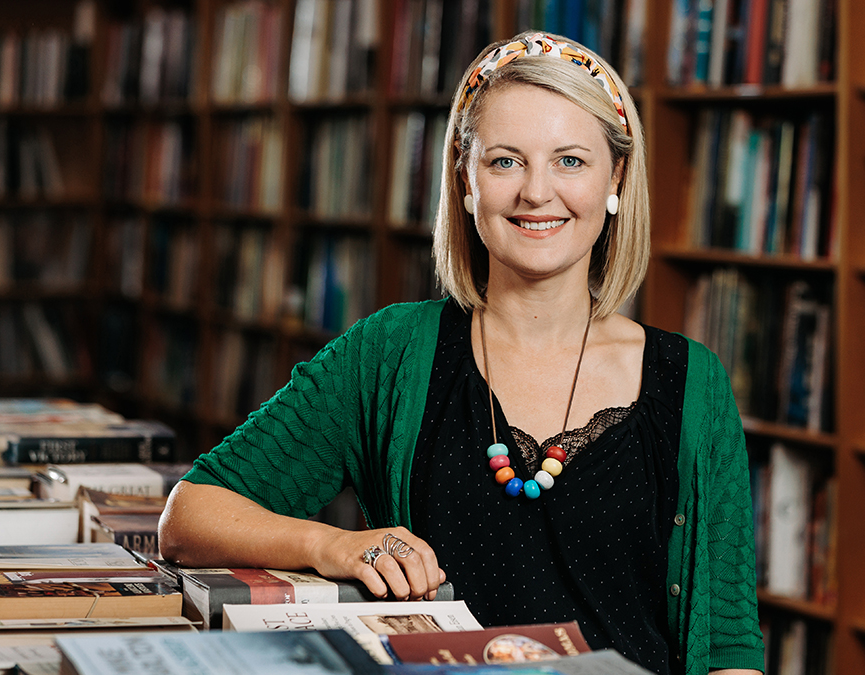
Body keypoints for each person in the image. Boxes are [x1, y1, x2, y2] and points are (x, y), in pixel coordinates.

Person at [159, 31, 763, 675]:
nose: (536, 193)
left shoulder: (690, 381)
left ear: (616, 176)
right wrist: (331, 545)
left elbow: (728, 650)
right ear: (465, 177)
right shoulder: (389, 352)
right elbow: (189, 515)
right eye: (506, 161)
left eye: (570, 161)